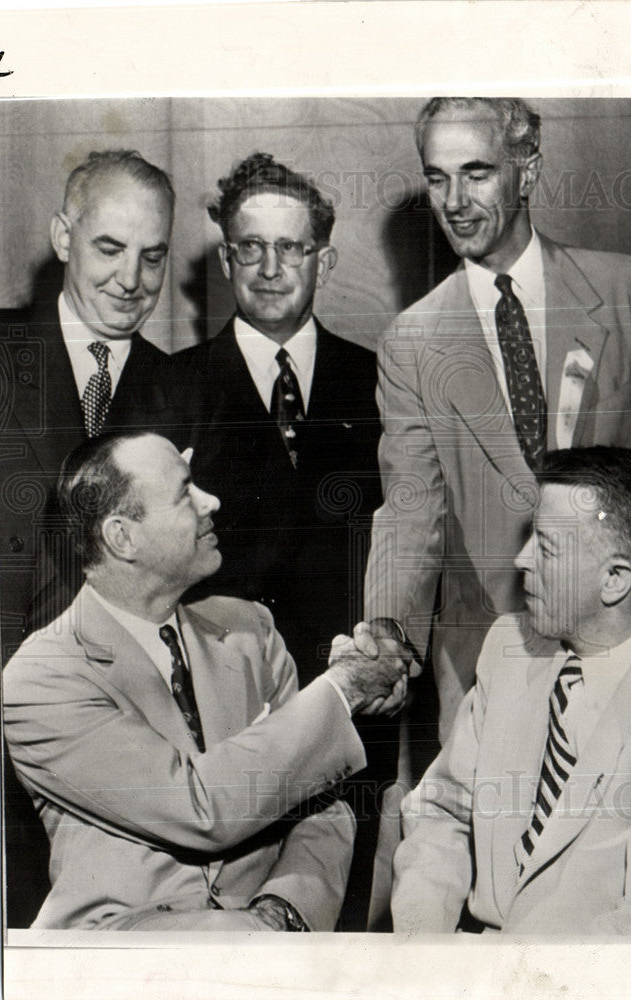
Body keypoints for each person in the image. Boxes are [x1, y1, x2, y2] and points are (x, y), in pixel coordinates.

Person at [363, 97, 631, 748]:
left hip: (628, 651)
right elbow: (410, 511)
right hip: (485, 664)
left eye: (477, 172)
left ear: (528, 172)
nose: (454, 199)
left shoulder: (625, 289)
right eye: (436, 177)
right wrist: (388, 636)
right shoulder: (411, 341)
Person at [2, 431, 414, 931]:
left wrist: (286, 912)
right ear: (121, 538)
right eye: (185, 491)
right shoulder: (41, 678)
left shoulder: (250, 630)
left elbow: (323, 807)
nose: (211, 501)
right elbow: (200, 806)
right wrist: (342, 689)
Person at [390, 447, 631, 934]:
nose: (521, 560)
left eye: (546, 546)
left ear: (615, 579)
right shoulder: (509, 646)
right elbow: (441, 812)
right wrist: (422, 947)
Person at [176, 153, 388, 929]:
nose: (269, 268)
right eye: (249, 247)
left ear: (323, 258)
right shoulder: (174, 385)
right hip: (224, 729)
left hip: (354, 724)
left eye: (290, 248)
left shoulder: (381, 382)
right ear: (226, 255)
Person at [0, 149, 186, 927]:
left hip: (126, 749)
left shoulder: (181, 389)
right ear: (63, 237)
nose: (131, 280)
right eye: (109, 249)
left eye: (153, 256)